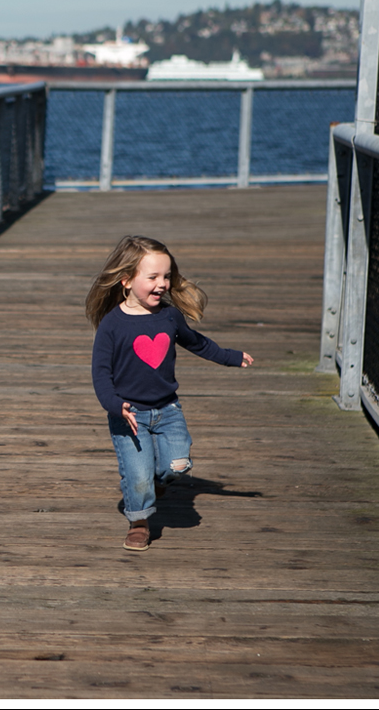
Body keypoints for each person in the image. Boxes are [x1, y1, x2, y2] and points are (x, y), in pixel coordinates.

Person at [86, 236, 253, 551]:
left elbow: (197, 342)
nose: (162, 284)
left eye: (166, 276)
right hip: (129, 415)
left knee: (177, 465)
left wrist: (231, 357)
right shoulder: (112, 325)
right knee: (137, 474)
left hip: (167, 409)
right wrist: (114, 406)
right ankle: (139, 522)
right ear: (126, 280)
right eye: (152, 277)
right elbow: (100, 375)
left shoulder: (169, 316)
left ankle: (157, 483)